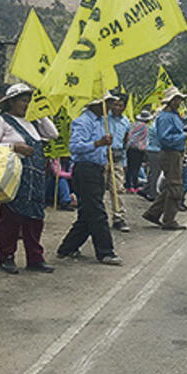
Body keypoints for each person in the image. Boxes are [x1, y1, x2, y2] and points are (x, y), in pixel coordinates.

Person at [0, 83, 58, 275]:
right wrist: (13, 147)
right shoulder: (2, 121)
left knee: (35, 218)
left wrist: (40, 113)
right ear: (12, 102)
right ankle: (6, 256)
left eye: (29, 100)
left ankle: (35, 258)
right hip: (14, 177)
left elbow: (53, 133)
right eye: (24, 100)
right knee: (11, 218)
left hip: (35, 178)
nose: (27, 104)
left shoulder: (34, 123)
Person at [56, 93, 121, 266]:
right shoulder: (83, 121)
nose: (110, 107)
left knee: (88, 212)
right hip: (85, 169)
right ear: (97, 104)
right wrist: (97, 144)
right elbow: (75, 147)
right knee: (97, 212)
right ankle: (105, 251)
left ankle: (67, 247)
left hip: (97, 169)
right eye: (107, 103)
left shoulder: (101, 122)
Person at [142, 87, 187, 231]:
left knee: (171, 186)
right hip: (170, 153)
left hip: (176, 152)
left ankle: (153, 213)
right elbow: (165, 138)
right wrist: (183, 136)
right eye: (176, 99)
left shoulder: (175, 116)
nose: (178, 102)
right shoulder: (165, 117)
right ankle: (169, 220)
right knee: (175, 186)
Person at [106, 93, 131, 233]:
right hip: (102, 155)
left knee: (118, 189)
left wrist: (124, 161)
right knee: (98, 189)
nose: (117, 107)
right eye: (115, 104)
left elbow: (125, 141)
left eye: (120, 105)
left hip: (117, 157)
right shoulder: (103, 118)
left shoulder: (126, 122)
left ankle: (118, 217)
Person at [125, 110, 151, 192]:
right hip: (138, 149)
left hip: (130, 148)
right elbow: (145, 140)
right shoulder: (144, 127)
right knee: (136, 168)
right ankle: (135, 186)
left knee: (130, 168)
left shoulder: (133, 124)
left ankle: (128, 185)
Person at [141, 111, 162, 202]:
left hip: (151, 150)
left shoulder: (154, 125)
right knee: (155, 172)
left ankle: (146, 189)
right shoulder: (157, 126)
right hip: (156, 150)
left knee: (152, 172)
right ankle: (152, 194)